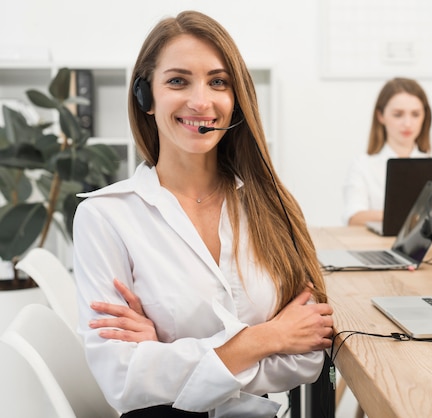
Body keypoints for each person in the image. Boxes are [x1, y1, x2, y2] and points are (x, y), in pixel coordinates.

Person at [72, 10, 333, 417]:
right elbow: (122, 380)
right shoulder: (105, 216)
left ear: (236, 99)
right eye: (178, 81)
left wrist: (163, 356)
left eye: (218, 82)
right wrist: (263, 340)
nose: (201, 101)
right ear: (146, 97)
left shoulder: (268, 206)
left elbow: (307, 357)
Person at [342, 77, 432, 226]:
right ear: (381, 116)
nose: (407, 123)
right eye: (398, 114)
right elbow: (354, 217)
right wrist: (409, 216)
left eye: (415, 114)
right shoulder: (363, 165)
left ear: (424, 117)